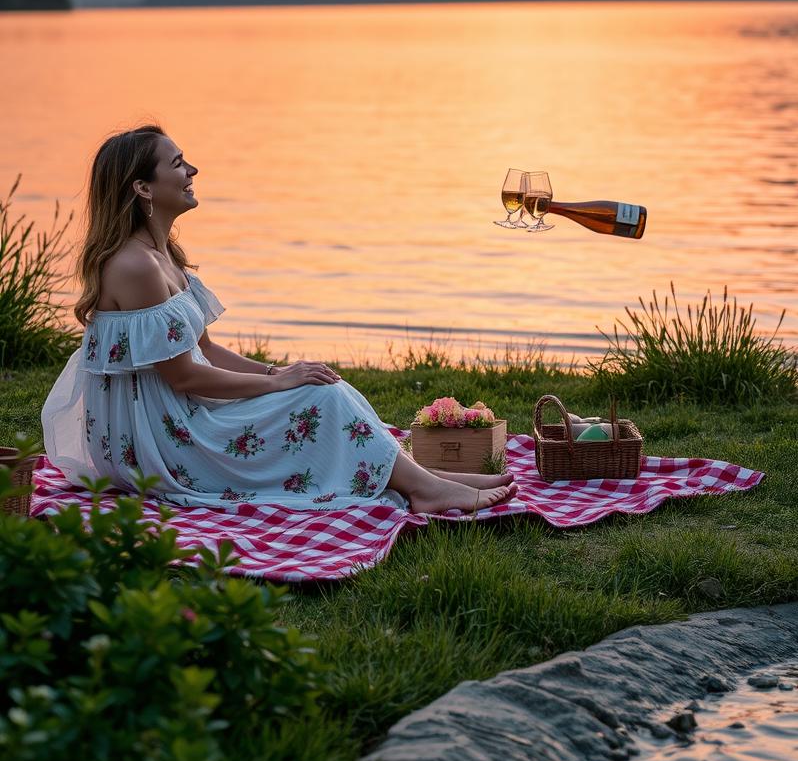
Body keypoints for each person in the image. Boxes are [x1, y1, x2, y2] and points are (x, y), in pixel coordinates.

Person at [42, 124, 518, 514]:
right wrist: (278, 384)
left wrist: (277, 373)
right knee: (317, 399)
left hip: (179, 412)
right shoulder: (136, 265)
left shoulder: (164, 254)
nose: (192, 170)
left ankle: (422, 477)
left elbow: (205, 350)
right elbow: (183, 375)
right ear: (143, 188)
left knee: (322, 385)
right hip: (161, 439)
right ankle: (425, 488)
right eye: (177, 164)